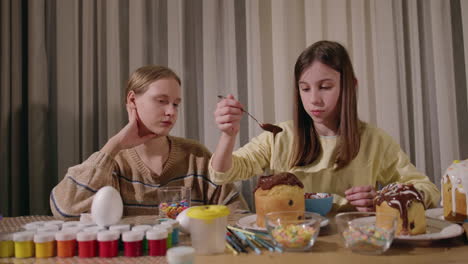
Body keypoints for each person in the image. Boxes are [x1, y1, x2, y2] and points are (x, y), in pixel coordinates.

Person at [209, 40, 440, 212]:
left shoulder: (374, 140)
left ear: (350, 85)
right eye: (305, 88)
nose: (314, 100)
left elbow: (428, 190)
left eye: (325, 87)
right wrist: (228, 136)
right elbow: (222, 174)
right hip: (290, 245)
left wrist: (382, 197)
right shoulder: (280, 136)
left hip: (354, 246)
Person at [51, 65, 243, 218]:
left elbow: (238, 213)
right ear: (132, 100)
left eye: (176, 104)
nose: (171, 111)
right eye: (161, 101)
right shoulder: (113, 162)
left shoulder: (196, 156)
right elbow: (64, 209)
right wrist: (114, 145)